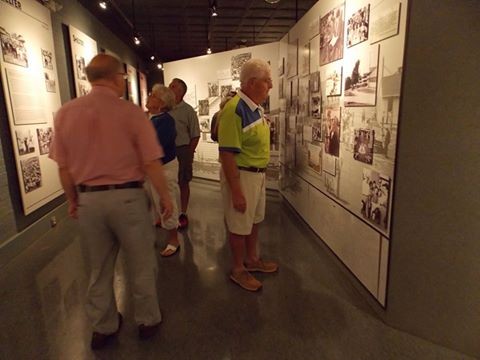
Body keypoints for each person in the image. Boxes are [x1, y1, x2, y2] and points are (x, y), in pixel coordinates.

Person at [49, 54, 173, 349]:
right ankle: (147, 320)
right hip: (128, 198)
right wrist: (165, 197)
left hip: (90, 200)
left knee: (99, 267)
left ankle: (103, 326)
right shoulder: (130, 113)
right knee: (141, 263)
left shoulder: (65, 113)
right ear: (117, 77)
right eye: (123, 78)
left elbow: (63, 167)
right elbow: (151, 162)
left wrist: (72, 200)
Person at [218, 58, 278, 292]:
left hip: (256, 175)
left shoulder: (254, 107)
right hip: (242, 176)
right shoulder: (235, 110)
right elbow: (227, 154)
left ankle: (252, 261)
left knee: (253, 221)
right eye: (267, 81)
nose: (270, 86)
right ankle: (238, 269)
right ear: (252, 82)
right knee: (238, 224)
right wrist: (236, 191)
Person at [144, 84, 181, 257]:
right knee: (155, 201)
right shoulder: (151, 118)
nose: (149, 97)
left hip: (164, 168)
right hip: (153, 168)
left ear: (162, 102)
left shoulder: (166, 121)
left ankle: (174, 239)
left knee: (167, 201)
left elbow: (155, 146)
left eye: (153, 95)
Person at [168, 78, 200, 229]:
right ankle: (168, 214)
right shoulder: (165, 109)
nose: (169, 88)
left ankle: (183, 213)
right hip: (167, 151)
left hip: (182, 150)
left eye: (172, 86)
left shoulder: (188, 111)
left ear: (180, 91)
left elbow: (195, 135)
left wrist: (188, 154)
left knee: (183, 182)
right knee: (167, 183)